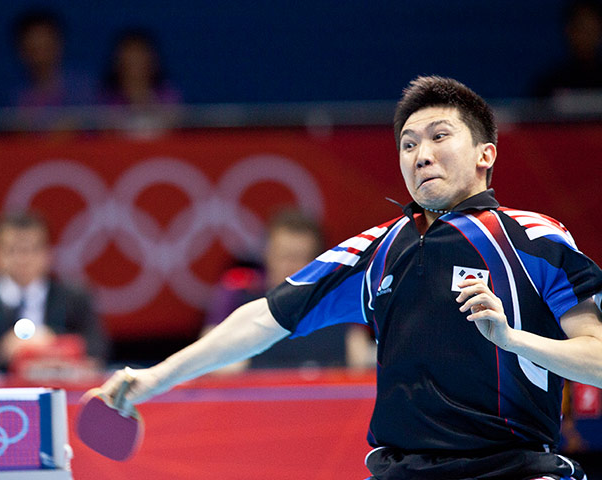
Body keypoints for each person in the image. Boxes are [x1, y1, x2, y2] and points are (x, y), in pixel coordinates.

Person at [101, 76, 602, 479]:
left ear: (485, 154)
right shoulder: (377, 249)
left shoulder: (534, 238)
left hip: (511, 469)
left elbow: (597, 360)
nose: (420, 154)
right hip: (399, 471)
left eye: (438, 136)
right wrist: (154, 377)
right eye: (407, 144)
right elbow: (263, 319)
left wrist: (514, 340)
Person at [202, 208, 375, 371]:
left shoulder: (338, 301)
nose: (291, 266)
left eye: (300, 257)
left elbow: (359, 355)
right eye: (284, 256)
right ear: (267, 254)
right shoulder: (238, 291)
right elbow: (207, 353)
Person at [0, 211, 109, 370]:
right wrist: (7, 354)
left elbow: (97, 347)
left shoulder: (75, 296)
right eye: (12, 250)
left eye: (33, 249)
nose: (23, 259)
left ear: (48, 253)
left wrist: (55, 345)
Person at [10, 9, 94, 108]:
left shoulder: (83, 92)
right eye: (33, 50)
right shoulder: (16, 97)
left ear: (60, 45)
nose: (40, 58)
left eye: (46, 48)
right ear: (20, 51)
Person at [533, 0, 602, 97]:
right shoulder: (551, 84)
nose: (586, 36)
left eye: (591, 29)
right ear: (569, 30)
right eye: (581, 28)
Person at [99, 28, 182, 107]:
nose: (136, 66)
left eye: (140, 59)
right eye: (130, 61)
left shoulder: (169, 97)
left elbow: (176, 118)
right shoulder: (104, 101)